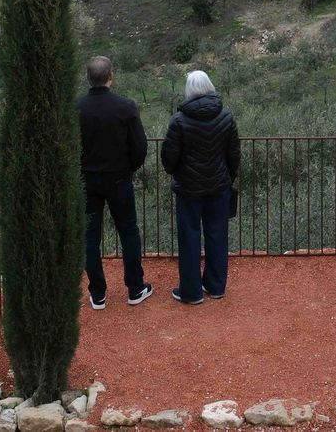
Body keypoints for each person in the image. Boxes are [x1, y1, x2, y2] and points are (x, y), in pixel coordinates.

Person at [76, 56, 153, 309]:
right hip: (119, 178)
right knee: (129, 231)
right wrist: (129, 168)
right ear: (111, 76)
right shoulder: (126, 106)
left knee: (90, 236)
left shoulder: (76, 108)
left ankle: (98, 293)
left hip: (87, 180)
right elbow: (140, 146)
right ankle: (135, 288)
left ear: (89, 78)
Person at [161, 69, 241, 305]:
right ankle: (216, 287)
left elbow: (169, 158)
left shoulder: (178, 121)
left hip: (188, 189)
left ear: (189, 90)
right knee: (217, 235)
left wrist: (176, 172)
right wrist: (228, 176)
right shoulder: (226, 116)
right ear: (209, 87)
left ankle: (191, 292)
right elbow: (234, 153)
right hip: (219, 187)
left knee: (189, 237)